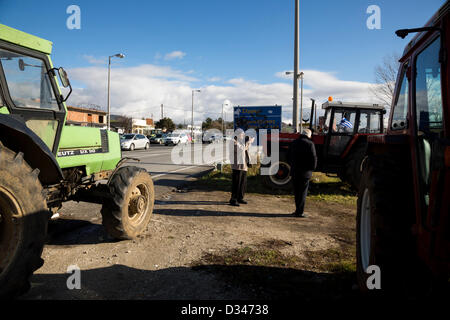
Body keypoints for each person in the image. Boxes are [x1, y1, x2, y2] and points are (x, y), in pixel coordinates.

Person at [287, 128, 317, 217]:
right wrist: (311, 169)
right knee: (303, 192)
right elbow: (314, 158)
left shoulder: (294, 142)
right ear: (309, 136)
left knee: (296, 192)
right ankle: (300, 212)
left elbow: (287, 156)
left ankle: (297, 210)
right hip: (305, 173)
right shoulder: (310, 144)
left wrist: (292, 165)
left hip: (295, 171)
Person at [229, 130, 254, 206]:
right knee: (236, 183)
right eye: (241, 134)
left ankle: (240, 198)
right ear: (237, 134)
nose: (243, 135)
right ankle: (233, 199)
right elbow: (241, 149)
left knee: (243, 184)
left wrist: (249, 142)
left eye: (243, 134)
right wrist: (248, 142)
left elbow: (246, 149)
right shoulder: (233, 141)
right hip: (237, 166)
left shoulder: (242, 142)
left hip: (244, 166)